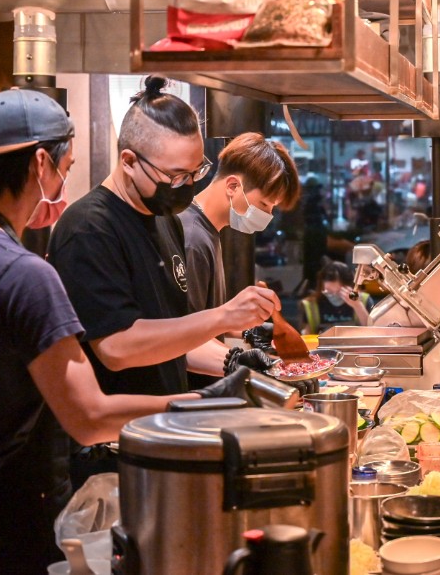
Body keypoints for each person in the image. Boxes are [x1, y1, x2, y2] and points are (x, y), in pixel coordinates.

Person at [0, 88, 201, 575]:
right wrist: (195, 408)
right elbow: (89, 417)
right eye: (65, 171)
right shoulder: (26, 274)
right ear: (41, 164)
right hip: (19, 529)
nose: (65, 185)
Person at [47, 77, 282, 484]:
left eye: (195, 172)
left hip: (165, 437)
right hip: (115, 451)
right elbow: (117, 348)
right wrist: (225, 317)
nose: (187, 186)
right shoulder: (89, 230)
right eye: (175, 176)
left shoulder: (166, 221)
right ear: (128, 161)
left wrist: (232, 361)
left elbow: (171, 342)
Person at [179, 132, 301, 380]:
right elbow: (182, 338)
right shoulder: (192, 238)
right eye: (264, 204)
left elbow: (204, 320)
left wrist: (245, 332)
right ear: (233, 186)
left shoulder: (209, 230)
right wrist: (238, 362)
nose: (267, 215)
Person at [300, 261, 372, 334]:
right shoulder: (311, 305)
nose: (334, 296)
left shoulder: (363, 300)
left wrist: (357, 306)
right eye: (329, 291)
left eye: (339, 292)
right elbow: (306, 335)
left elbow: (372, 332)